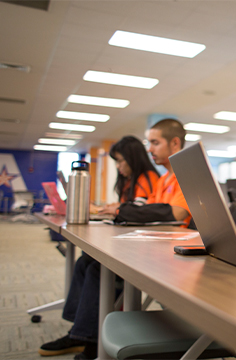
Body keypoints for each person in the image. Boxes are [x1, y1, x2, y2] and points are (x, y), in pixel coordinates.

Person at [39, 120, 190, 360]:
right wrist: (120, 210)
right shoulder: (163, 180)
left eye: (154, 142)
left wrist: (121, 211)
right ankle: (82, 333)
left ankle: (86, 338)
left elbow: (176, 213)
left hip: (168, 257)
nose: (149, 149)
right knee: (87, 261)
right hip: (154, 245)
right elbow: (148, 209)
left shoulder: (185, 174)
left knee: (99, 268)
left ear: (174, 143)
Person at [92, 136, 160, 215]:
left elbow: (139, 209)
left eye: (120, 161)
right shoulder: (128, 180)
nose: (117, 166)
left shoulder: (148, 177)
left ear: (133, 159)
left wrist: (118, 209)